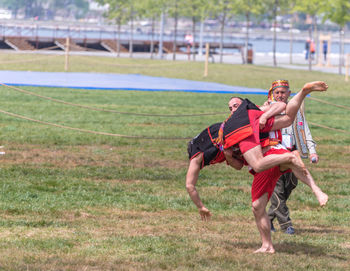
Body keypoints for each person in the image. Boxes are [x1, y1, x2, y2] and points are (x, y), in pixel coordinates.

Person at [186, 81, 328, 220]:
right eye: (231, 108)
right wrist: (228, 156)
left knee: (261, 165)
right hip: (259, 141)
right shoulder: (244, 118)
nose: (233, 109)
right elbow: (239, 165)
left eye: (236, 106)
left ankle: (294, 162)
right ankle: (304, 92)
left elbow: (189, 185)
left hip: (264, 146)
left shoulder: (244, 117)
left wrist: (200, 207)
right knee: (288, 121)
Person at [250, 141, 328, 254]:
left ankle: (316, 190)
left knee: (291, 166)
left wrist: (311, 151)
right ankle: (268, 244)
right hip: (265, 160)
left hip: (273, 151)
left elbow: (299, 130)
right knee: (257, 206)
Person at [266, 80, 319, 235]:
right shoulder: (268, 109)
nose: (280, 95)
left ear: (289, 93)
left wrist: (312, 150)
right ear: (272, 94)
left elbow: (304, 130)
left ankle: (268, 218)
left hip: (294, 155)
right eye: (277, 93)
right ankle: (286, 224)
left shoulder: (296, 109)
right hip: (274, 154)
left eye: (283, 92)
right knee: (277, 190)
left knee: (290, 185)